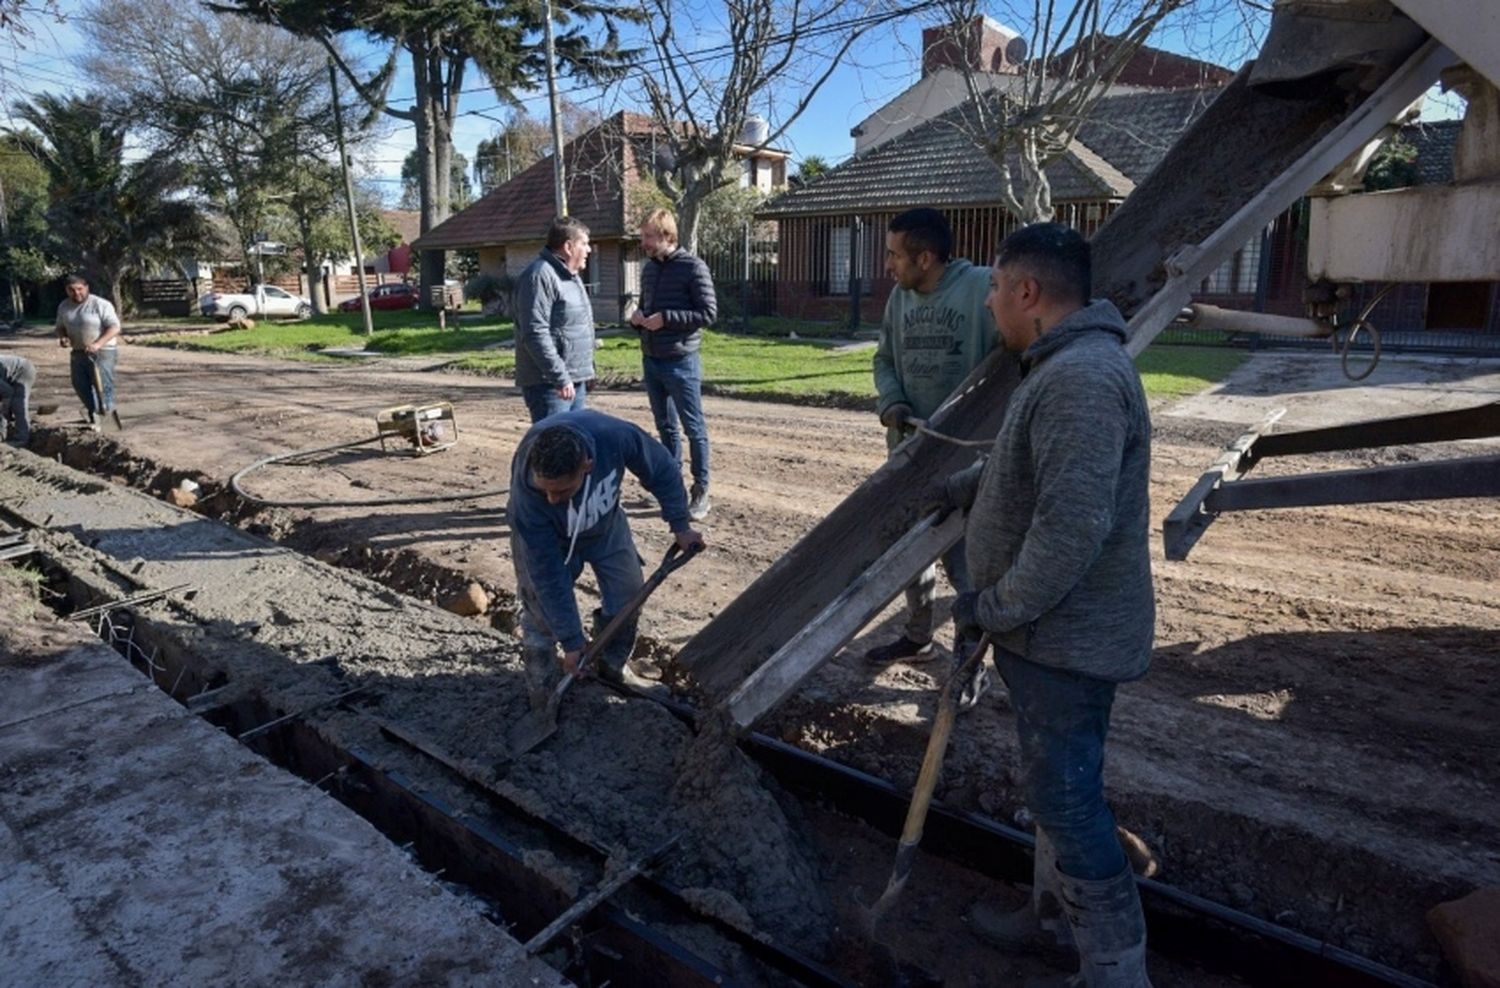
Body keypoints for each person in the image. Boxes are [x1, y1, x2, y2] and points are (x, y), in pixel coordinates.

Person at [940, 223, 1154, 986]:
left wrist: (991, 607)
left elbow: (1070, 530)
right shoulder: (1060, 369)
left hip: (1065, 639)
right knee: (1054, 791)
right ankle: (1054, 920)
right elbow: (1030, 469)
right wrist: (966, 489)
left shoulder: (1081, 380)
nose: (991, 303)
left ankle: (1115, 972)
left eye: (996, 289)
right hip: (1048, 636)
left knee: (1068, 803)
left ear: (1028, 293)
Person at [865, 207, 997, 675]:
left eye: (894, 255)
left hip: (966, 457)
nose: (887, 266)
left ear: (925, 258)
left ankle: (971, 652)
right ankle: (918, 636)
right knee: (909, 549)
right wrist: (893, 400)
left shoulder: (983, 287)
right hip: (909, 448)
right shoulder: (899, 299)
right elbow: (883, 358)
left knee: (965, 560)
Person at [508, 410, 706, 709]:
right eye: (545, 490)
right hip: (550, 540)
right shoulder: (529, 500)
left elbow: (661, 469)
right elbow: (548, 575)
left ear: (587, 467)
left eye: (561, 491)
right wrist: (573, 642)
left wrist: (680, 525)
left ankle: (612, 666)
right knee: (542, 613)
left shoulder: (614, 435)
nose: (551, 499)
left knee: (628, 593)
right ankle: (543, 688)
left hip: (605, 526)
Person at [629, 208, 717, 521]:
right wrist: (637, 320)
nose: (644, 243)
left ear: (667, 236)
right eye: (643, 237)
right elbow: (645, 308)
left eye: (649, 237)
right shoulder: (649, 270)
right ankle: (671, 488)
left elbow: (708, 313)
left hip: (681, 361)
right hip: (651, 359)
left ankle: (701, 490)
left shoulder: (693, 267)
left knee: (694, 428)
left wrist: (666, 319)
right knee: (665, 428)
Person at [515, 217, 596, 423]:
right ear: (568, 247)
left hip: (574, 381)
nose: (589, 250)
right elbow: (535, 333)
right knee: (554, 448)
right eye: (584, 244)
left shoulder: (572, 276)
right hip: (550, 386)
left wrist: (587, 370)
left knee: (575, 447)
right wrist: (560, 377)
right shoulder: (540, 276)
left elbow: (576, 327)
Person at [54, 274, 121, 425]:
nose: (76, 293)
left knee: (103, 385)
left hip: (103, 351)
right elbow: (60, 328)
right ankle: (94, 413)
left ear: (86, 288)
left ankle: (108, 419)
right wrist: (63, 338)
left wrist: (98, 344)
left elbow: (114, 327)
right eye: (72, 290)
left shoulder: (100, 304)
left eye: (79, 289)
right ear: (66, 290)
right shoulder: (64, 306)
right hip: (78, 352)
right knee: (79, 384)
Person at [0, 352, 36, 446]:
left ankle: (22, 438)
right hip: (8, 378)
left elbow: (8, 392)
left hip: (23, 370)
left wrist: (6, 412)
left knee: (18, 404)